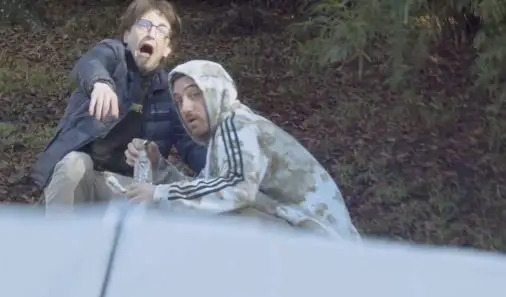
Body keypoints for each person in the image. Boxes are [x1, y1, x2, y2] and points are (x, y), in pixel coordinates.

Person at [122, 60, 361, 240]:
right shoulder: (222, 138)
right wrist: (159, 167)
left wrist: (159, 193)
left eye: (195, 95)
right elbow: (207, 190)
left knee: (225, 220)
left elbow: (236, 189)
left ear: (217, 92)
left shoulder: (236, 123)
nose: (185, 108)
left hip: (321, 243)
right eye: (179, 101)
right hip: (310, 241)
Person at [29, 0, 205, 214]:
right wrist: (100, 83)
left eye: (161, 29)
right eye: (144, 25)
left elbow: (194, 147)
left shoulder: (170, 96)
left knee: (163, 198)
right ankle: (58, 233)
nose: (151, 33)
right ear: (127, 35)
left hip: (129, 188)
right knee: (73, 164)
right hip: (84, 177)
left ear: (167, 48)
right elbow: (91, 62)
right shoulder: (113, 56)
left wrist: (224, 173)